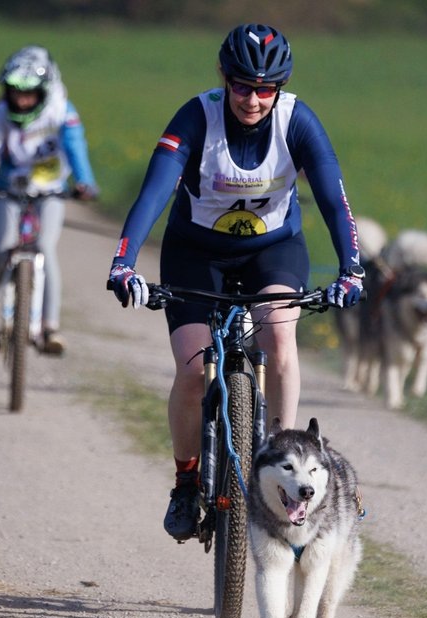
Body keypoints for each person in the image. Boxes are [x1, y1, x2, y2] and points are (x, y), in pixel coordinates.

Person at [105, 24, 365, 542]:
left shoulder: (297, 121)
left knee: (280, 337)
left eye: (265, 88)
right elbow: (154, 193)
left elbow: (335, 199)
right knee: (195, 369)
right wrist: (124, 262)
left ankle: (283, 461)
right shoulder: (196, 118)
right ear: (224, 78)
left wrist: (351, 267)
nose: (253, 98)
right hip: (195, 253)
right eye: (243, 86)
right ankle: (185, 482)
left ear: (280, 88)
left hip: (273, 250)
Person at [0, 45, 98, 356]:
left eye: (30, 93)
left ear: (44, 91)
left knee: (46, 247)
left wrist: (85, 182)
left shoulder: (62, 110)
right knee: (0, 247)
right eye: (15, 92)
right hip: (9, 186)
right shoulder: (0, 112)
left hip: (50, 189)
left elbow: (76, 148)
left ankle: (50, 327)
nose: (21, 100)